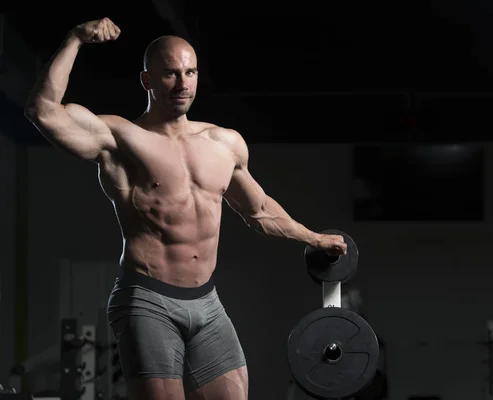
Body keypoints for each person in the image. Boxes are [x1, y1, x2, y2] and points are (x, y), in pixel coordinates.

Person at [24, 17, 348, 400]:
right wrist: (75, 39)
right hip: (147, 300)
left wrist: (313, 238)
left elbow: (259, 210)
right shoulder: (119, 138)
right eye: (170, 74)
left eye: (190, 72)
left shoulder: (224, 143)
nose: (182, 83)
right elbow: (42, 111)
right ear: (147, 81)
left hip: (208, 305)